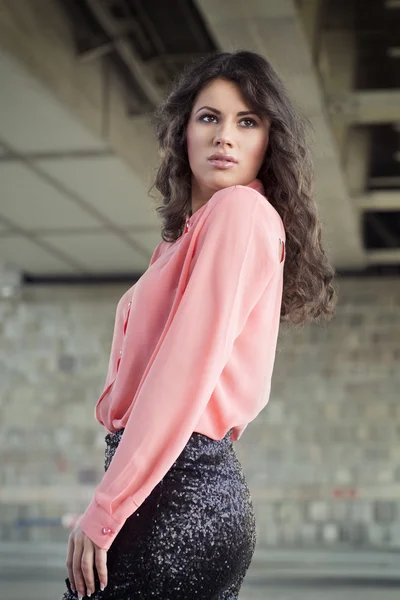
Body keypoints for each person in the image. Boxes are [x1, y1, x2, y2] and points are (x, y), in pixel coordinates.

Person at [62, 50, 336, 600]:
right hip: (176, 490)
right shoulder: (185, 236)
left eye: (247, 121)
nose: (224, 137)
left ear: (267, 143)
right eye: (209, 117)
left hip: (177, 498)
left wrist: (106, 506)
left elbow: (180, 375)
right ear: (184, 131)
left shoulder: (240, 212)